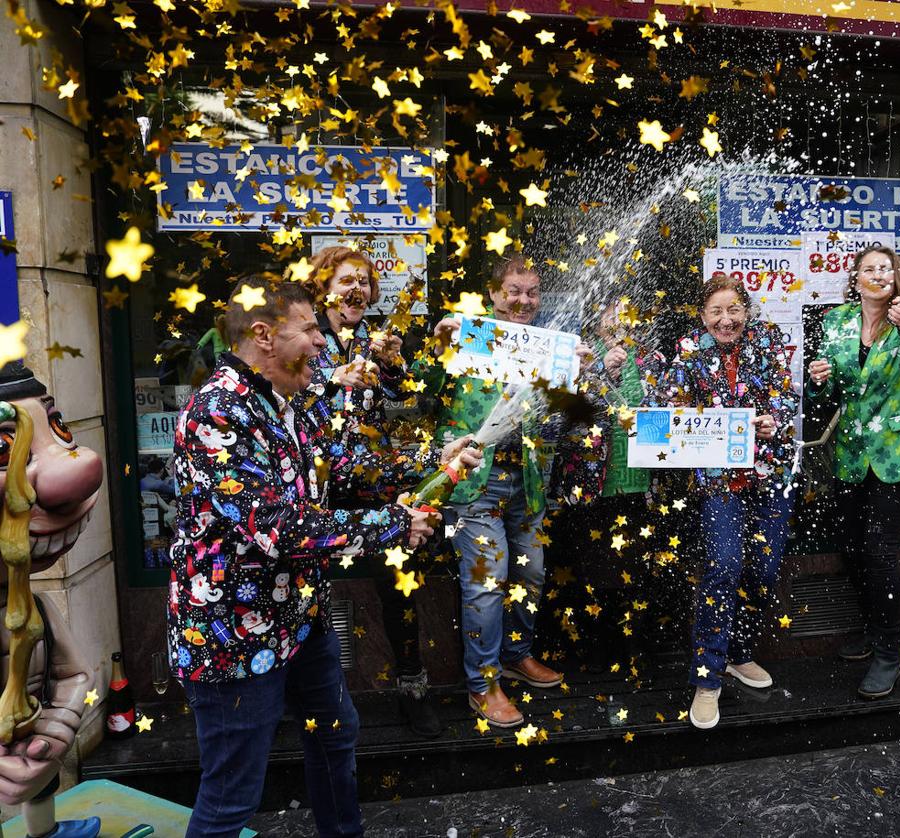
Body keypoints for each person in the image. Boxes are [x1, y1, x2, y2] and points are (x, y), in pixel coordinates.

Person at [167, 278, 455, 838]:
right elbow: (277, 528)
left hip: (302, 620)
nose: (323, 343)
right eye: (310, 330)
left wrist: (433, 462)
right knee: (231, 796)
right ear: (264, 335)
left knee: (334, 735)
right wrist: (397, 524)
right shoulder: (216, 414)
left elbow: (347, 468)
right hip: (231, 636)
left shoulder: (291, 398)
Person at [302, 245, 471, 739]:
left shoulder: (368, 340)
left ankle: (413, 691)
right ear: (323, 286)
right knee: (307, 595)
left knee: (400, 589)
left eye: (364, 281)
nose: (357, 289)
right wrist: (333, 380)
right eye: (346, 280)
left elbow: (410, 396)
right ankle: (313, 702)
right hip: (315, 489)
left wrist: (395, 363)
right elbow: (290, 400)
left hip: (372, 484)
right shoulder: (308, 341)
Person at [417, 256, 591, 728]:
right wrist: (436, 348)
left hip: (529, 480)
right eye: (514, 291)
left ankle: (516, 654)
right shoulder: (467, 335)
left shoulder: (546, 344)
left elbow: (568, 412)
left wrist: (579, 374)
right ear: (493, 293)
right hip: (473, 482)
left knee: (531, 572)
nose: (523, 301)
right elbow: (422, 390)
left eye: (532, 292)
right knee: (487, 581)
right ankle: (483, 684)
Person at [653, 274, 796, 730]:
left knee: (765, 570)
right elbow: (665, 409)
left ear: (746, 312)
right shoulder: (689, 352)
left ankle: (739, 653)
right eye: (716, 311)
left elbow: (788, 399)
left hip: (769, 477)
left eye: (733, 310)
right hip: (719, 485)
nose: (725, 319)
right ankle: (708, 676)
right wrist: (704, 420)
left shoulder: (768, 342)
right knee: (723, 567)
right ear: (702, 316)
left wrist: (777, 419)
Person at [807, 245, 900, 700]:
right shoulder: (836, 321)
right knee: (850, 545)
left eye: (885, 268)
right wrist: (818, 376)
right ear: (856, 277)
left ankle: (890, 648)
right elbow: (834, 387)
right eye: (869, 268)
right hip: (851, 452)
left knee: (879, 547)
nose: (877, 274)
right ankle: (871, 625)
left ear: (896, 275)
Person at [0, 363, 101, 838]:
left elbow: (76, 674)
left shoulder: (37, 609)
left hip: (33, 740)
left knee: (42, 793)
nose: (73, 476)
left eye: (57, 427)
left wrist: (57, 730)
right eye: (5, 448)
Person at [551, 296, 670, 678]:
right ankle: (595, 648)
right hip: (590, 485)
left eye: (628, 309)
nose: (621, 318)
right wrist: (600, 371)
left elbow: (667, 417)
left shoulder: (652, 358)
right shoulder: (578, 356)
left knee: (636, 570)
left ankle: (634, 647)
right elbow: (558, 417)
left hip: (638, 484)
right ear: (597, 315)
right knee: (591, 571)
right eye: (612, 310)